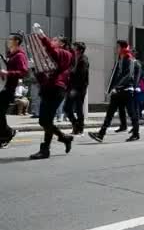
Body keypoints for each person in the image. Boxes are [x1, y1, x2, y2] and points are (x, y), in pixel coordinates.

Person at [29, 25, 74, 160]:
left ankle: (47, 148)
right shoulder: (51, 55)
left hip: (56, 89)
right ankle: (63, 138)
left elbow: (51, 50)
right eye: (51, 40)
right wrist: (35, 68)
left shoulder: (65, 53)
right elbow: (43, 75)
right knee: (45, 120)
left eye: (55, 40)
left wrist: (42, 36)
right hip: (48, 89)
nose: (52, 41)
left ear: (62, 43)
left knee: (45, 120)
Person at [88, 40, 141, 143]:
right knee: (110, 113)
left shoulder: (129, 59)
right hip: (117, 91)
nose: (115, 49)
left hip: (126, 91)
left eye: (117, 47)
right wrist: (110, 89)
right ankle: (101, 134)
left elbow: (128, 75)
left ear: (122, 48)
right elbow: (114, 76)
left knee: (132, 113)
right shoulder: (119, 59)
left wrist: (116, 86)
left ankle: (136, 134)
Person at [0, 33, 29, 148]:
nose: (8, 40)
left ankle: (7, 134)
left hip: (9, 88)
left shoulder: (20, 56)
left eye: (10, 39)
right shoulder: (11, 55)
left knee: (0, 113)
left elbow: (23, 72)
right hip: (4, 86)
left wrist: (7, 73)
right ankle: (4, 134)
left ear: (17, 41)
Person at [64, 41, 89, 135]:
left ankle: (80, 127)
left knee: (78, 108)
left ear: (80, 50)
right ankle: (76, 125)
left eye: (75, 48)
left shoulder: (83, 60)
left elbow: (81, 77)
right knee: (67, 108)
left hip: (79, 89)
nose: (73, 49)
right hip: (72, 87)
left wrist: (75, 89)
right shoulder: (74, 59)